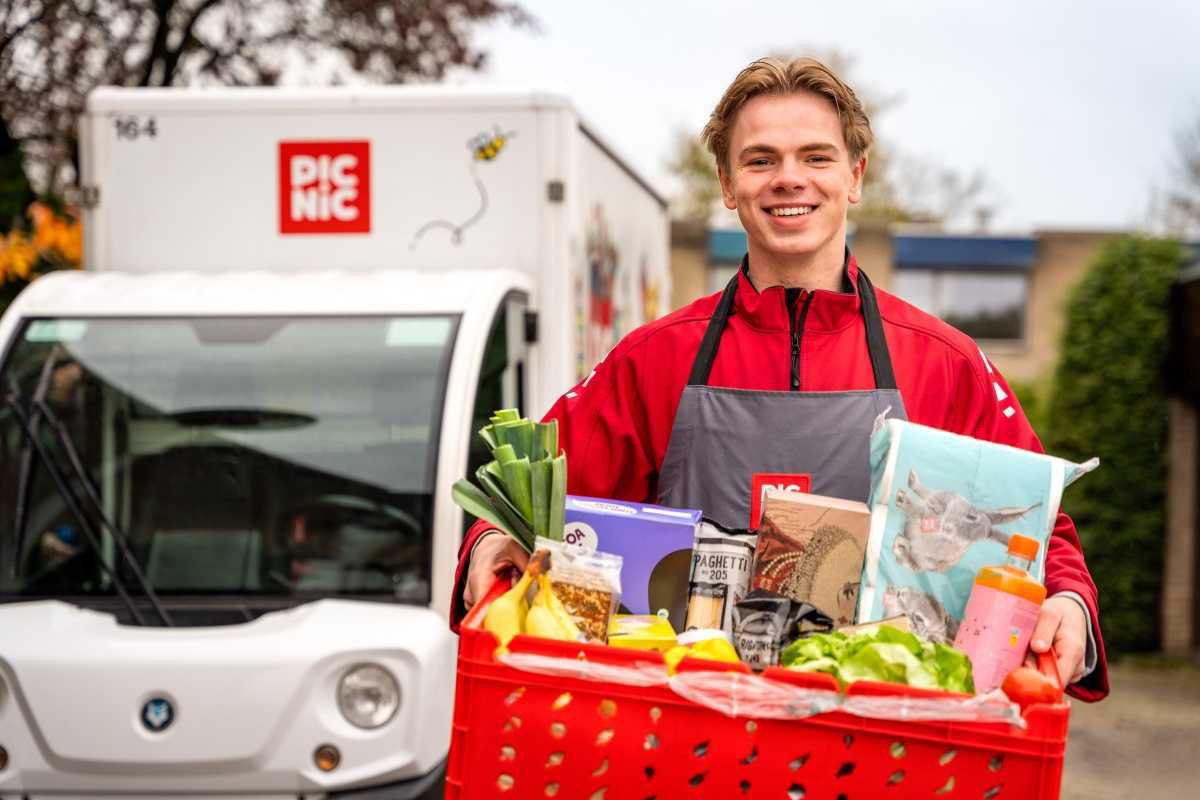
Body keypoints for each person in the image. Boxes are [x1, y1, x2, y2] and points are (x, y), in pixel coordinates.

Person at [452, 56, 1108, 701]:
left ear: (855, 175)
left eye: (816, 158)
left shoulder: (943, 361)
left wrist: (1070, 600)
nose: (788, 179)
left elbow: (1036, 527)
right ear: (729, 184)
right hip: (682, 736)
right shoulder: (654, 357)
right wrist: (490, 544)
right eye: (761, 159)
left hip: (883, 739)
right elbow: (530, 499)